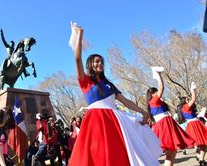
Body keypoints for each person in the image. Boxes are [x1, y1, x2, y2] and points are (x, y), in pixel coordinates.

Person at [68, 23, 162, 166]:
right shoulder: (85, 81)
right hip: (96, 121)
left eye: (102, 62)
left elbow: (125, 102)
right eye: (97, 61)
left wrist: (144, 112)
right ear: (90, 65)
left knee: (120, 152)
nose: (100, 64)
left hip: (116, 120)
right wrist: (79, 33)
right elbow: (77, 58)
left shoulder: (109, 84)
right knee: (99, 153)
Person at [147, 69, 195, 166]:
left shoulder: (155, 102)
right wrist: (158, 76)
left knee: (172, 152)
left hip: (166, 124)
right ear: (152, 94)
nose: (158, 94)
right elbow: (162, 88)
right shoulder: (153, 101)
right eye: (156, 92)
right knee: (170, 152)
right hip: (164, 126)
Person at [177, 83, 207, 166]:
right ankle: (201, 159)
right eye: (187, 99)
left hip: (192, 125)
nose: (188, 100)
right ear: (184, 101)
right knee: (204, 143)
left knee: (200, 144)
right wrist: (193, 90)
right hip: (195, 125)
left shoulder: (183, 109)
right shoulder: (185, 107)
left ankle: (199, 157)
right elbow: (193, 99)